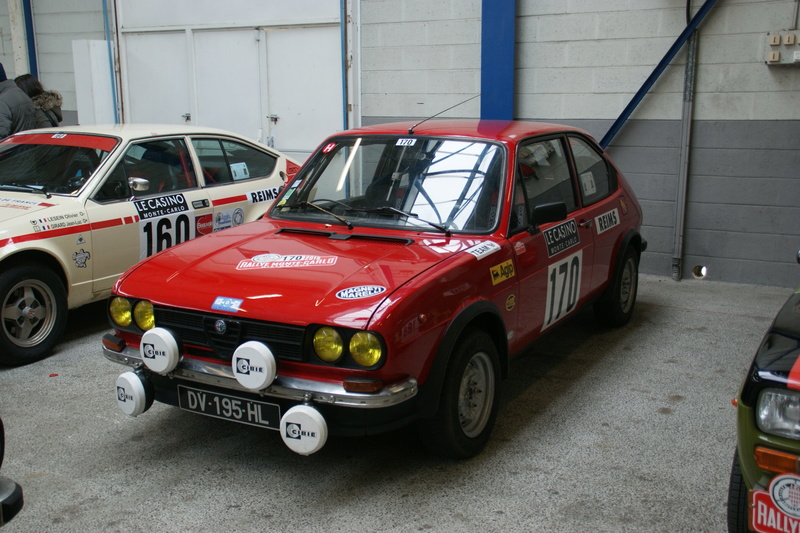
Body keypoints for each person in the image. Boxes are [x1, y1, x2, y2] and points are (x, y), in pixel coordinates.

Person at [0, 63, 36, 139]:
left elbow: (1, 134)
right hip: (26, 146)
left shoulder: (2, 101)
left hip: (11, 149)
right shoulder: (19, 93)